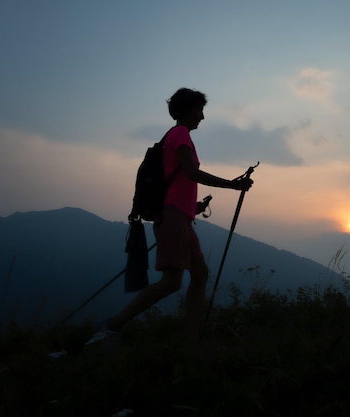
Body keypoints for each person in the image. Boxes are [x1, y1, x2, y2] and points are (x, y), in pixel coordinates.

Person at [102, 88, 253, 345]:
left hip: (180, 216)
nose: (202, 117)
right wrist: (232, 185)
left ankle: (192, 338)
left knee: (200, 274)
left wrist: (193, 207)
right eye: (199, 111)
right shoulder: (180, 134)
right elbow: (192, 173)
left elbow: (181, 180)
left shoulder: (178, 136)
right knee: (172, 281)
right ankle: (114, 324)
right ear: (187, 111)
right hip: (172, 217)